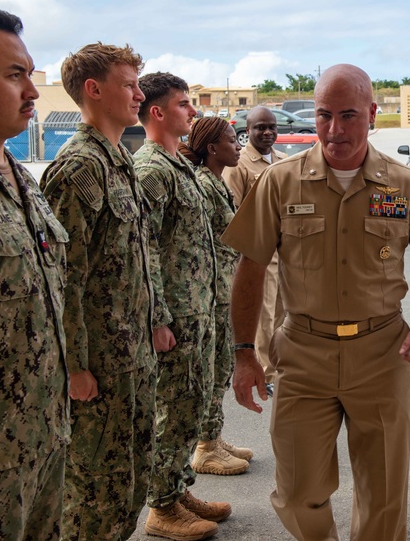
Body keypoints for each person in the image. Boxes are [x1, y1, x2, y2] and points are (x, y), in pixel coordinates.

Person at [222, 64, 410, 541]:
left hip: (382, 353)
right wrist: (244, 353)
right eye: (324, 115)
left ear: (372, 114)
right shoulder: (280, 182)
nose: (334, 130)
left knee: (384, 495)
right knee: (295, 490)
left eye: (348, 115)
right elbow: (250, 269)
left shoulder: (404, 184)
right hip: (303, 353)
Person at [40, 42, 159, 540]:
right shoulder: (77, 169)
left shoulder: (118, 159)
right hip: (99, 368)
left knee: (128, 487)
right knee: (92, 499)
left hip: (132, 356)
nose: (139, 94)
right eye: (129, 84)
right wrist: (75, 367)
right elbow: (63, 276)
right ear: (94, 90)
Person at [0, 5, 69, 540]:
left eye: (31, 74)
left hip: (42, 444)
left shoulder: (23, 182)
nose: (31, 91)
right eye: (14, 75)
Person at [134, 72, 227, 540]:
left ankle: (175, 489)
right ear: (157, 112)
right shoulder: (151, 169)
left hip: (199, 308)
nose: (193, 111)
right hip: (176, 315)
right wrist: (158, 317)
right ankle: (162, 507)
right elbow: (142, 245)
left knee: (190, 405)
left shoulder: (177, 165)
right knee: (173, 409)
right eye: (184, 104)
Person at [179, 118, 253, 476]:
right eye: (230, 141)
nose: (238, 146)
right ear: (212, 148)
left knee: (221, 368)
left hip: (224, 287)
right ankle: (206, 448)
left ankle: (212, 436)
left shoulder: (215, 182)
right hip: (215, 290)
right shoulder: (205, 184)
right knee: (216, 369)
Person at [221, 105, 286, 395]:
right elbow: (230, 210)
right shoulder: (239, 165)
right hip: (259, 254)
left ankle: (280, 368)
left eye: (272, 127)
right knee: (263, 315)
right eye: (260, 127)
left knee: (285, 314)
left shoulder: (285, 161)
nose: (268, 132)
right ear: (247, 131)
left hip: (286, 253)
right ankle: (265, 374)